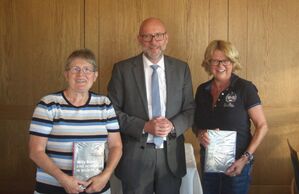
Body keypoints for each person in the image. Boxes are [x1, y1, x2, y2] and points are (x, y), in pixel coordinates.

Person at [108, 17, 195, 194]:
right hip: (135, 156)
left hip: (170, 156)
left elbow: (190, 109)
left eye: (158, 36)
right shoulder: (122, 70)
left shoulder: (181, 68)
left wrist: (172, 125)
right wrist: (145, 126)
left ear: (166, 38)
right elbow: (112, 112)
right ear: (139, 39)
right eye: (147, 36)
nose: (153, 42)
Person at [28, 49, 122, 194]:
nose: (81, 75)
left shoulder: (104, 104)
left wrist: (106, 175)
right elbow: (36, 151)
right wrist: (63, 179)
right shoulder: (48, 104)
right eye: (75, 69)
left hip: (96, 187)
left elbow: (116, 146)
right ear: (66, 74)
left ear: (95, 76)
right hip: (52, 187)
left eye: (87, 70)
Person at [193, 40, 268, 194]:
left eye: (225, 60)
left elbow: (262, 126)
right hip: (209, 162)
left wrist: (245, 159)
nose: (220, 65)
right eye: (215, 60)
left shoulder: (245, 88)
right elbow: (196, 124)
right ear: (208, 63)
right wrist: (200, 134)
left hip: (237, 163)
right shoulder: (202, 90)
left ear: (233, 62)